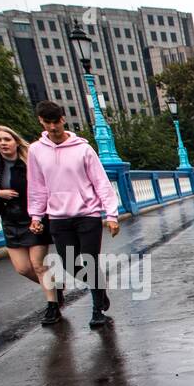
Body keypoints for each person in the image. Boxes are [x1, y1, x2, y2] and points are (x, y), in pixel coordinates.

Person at [26, 100, 121, 328]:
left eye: (55, 122)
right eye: (46, 122)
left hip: (87, 214)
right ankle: (100, 290)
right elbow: (36, 185)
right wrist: (36, 216)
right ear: (41, 122)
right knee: (69, 264)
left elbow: (101, 182)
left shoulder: (83, 149)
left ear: (63, 119)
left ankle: (97, 310)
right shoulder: (36, 151)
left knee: (89, 261)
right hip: (58, 217)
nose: (52, 127)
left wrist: (111, 215)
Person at [0, 126, 59, 324]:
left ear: (16, 141)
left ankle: (52, 305)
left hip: (35, 217)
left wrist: (44, 214)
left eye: (6, 139)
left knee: (38, 265)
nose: (3, 143)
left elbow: (48, 185)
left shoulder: (30, 160)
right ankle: (54, 287)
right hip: (10, 219)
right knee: (23, 268)